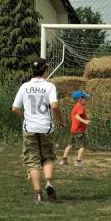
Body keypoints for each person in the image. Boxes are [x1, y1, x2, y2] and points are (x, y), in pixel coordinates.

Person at [11, 58, 66, 204]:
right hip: (46, 128)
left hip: (29, 128)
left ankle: (38, 194)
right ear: (45, 70)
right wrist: (62, 121)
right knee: (47, 156)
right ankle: (49, 183)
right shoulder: (49, 86)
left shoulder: (24, 86)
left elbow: (15, 108)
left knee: (33, 160)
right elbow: (54, 106)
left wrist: (25, 116)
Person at [60, 90, 92, 168]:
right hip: (79, 131)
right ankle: (78, 162)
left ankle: (63, 160)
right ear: (80, 99)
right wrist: (85, 121)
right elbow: (77, 116)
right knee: (82, 147)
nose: (86, 100)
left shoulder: (75, 107)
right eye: (85, 98)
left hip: (73, 130)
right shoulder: (80, 107)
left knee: (70, 145)